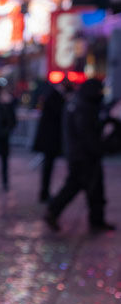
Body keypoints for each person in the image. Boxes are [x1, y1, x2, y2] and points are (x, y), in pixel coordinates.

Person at [44, 79, 115, 233]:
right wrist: (99, 148)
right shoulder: (82, 106)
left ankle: (96, 219)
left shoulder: (80, 103)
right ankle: (53, 211)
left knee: (93, 188)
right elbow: (86, 133)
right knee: (76, 185)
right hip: (82, 155)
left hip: (81, 154)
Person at [32, 80, 67, 202]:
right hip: (50, 139)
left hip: (49, 139)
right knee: (48, 166)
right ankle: (44, 193)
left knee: (48, 166)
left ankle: (44, 192)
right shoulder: (54, 97)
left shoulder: (51, 95)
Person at [0, 80, 17, 192]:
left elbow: (12, 118)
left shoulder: (8, 101)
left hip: (3, 135)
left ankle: (4, 182)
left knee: (4, 161)